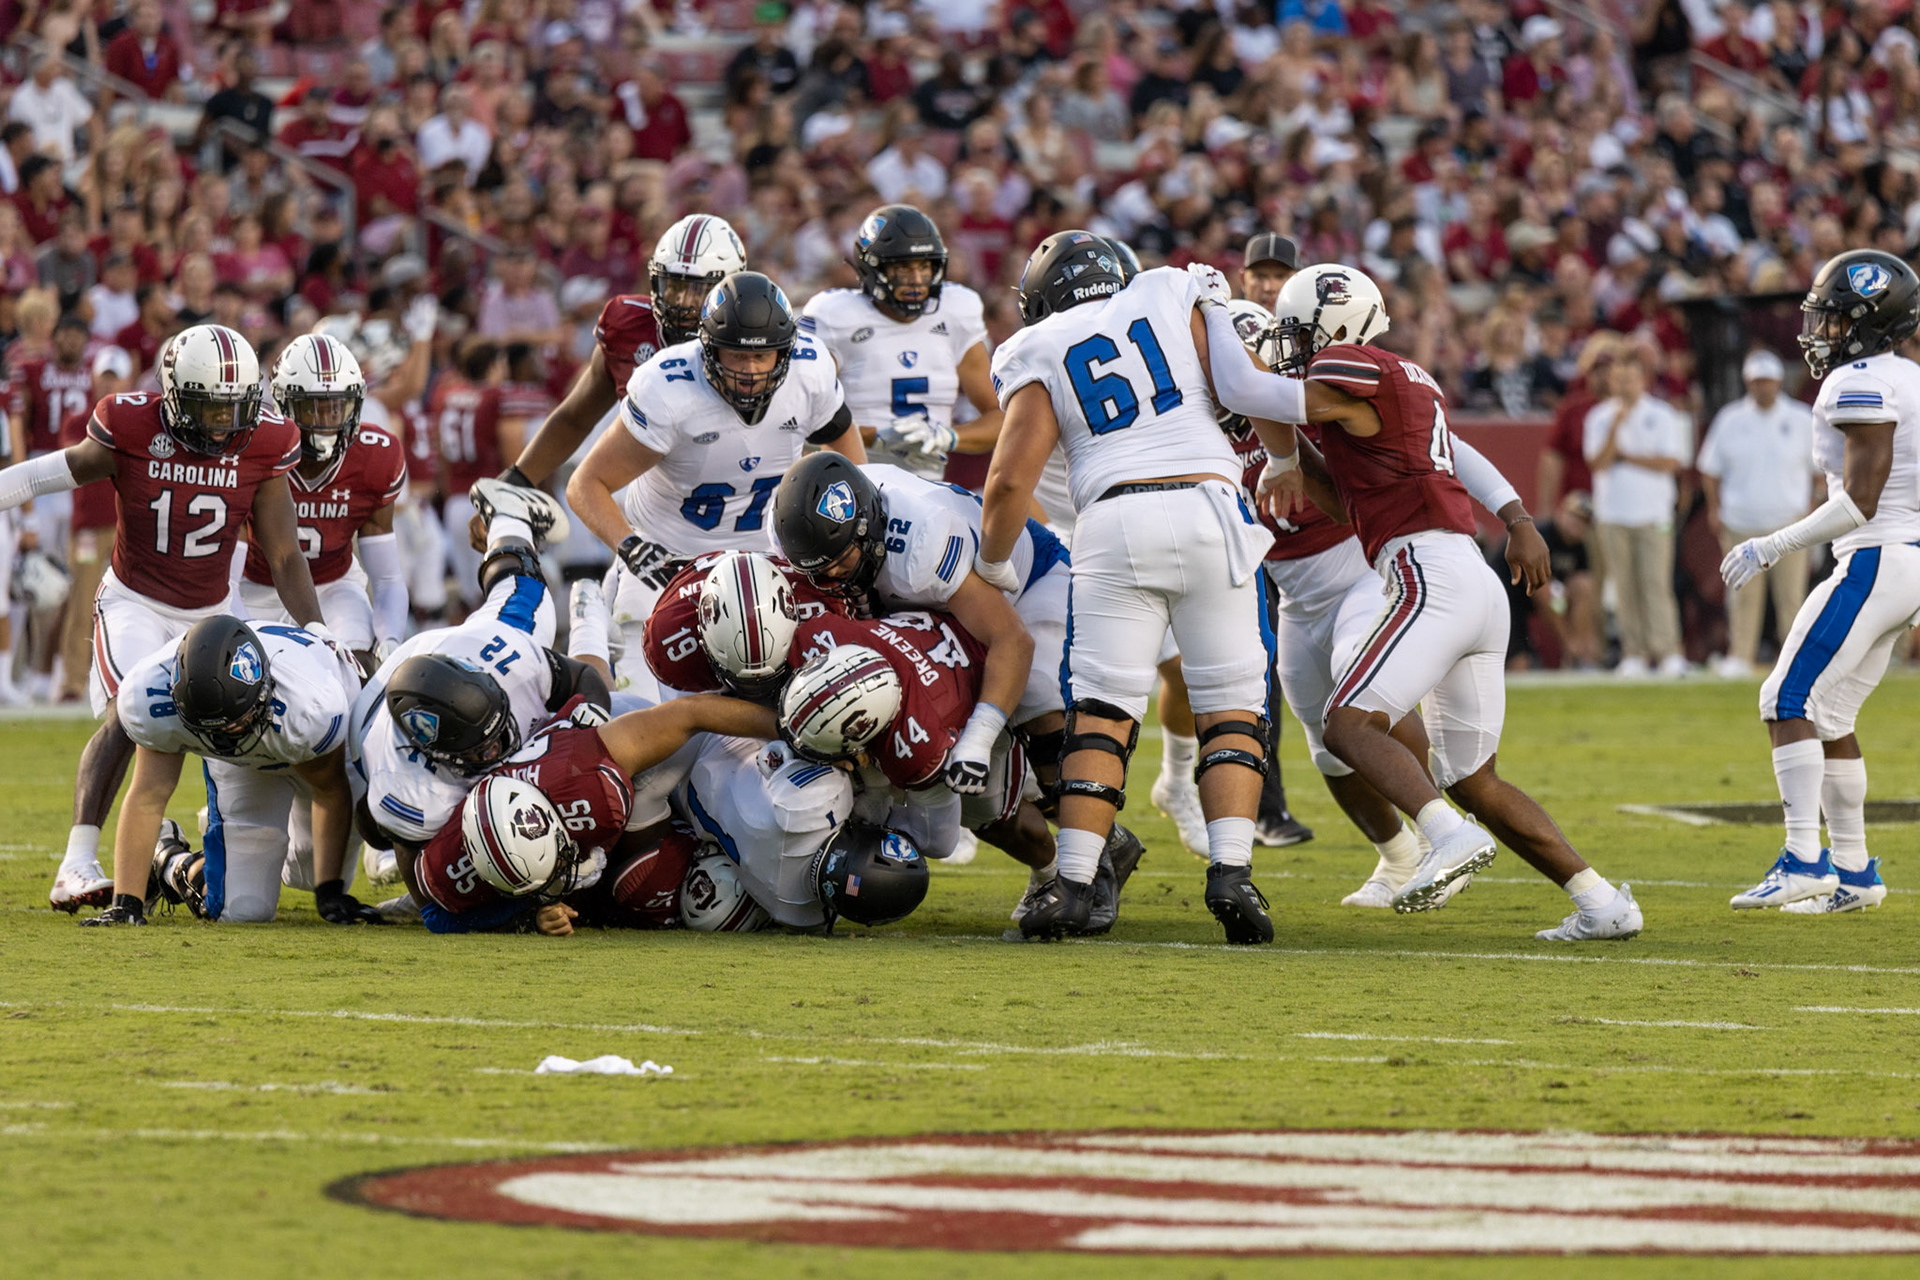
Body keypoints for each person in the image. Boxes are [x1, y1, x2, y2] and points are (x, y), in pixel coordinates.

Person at [1203, 263, 1642, 941]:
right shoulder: (1397, 382)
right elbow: (1338, 498)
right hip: (1461, 577)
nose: (1288, 346)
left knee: (1347, 725)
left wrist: (1207, 321)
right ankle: (1602, 900)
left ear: (1338, 326)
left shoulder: (1359, 365)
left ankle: (1444, 837)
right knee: (1474, 780)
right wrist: (1290, 462)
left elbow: (1246, 388)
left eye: (1295, 332)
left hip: (1425, 573)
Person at [972, 233, 1298, 944]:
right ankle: (1233, 874)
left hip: (1114, 518)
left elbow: (1006, 481)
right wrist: (1282, 458)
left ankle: (1073, 882)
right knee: (1233, 708)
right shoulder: (1173, 288)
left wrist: (995, 565)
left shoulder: (1037, 344)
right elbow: (1243, 386)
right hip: (1212, 507)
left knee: (1102, 713)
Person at [0, 324, 329, 915]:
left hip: (212, 614)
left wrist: (317, 631)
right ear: (175, 395)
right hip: (136, 603)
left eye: (235, 407)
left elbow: (283, 553)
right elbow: (46, 473)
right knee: (132, 713)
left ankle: (197, 852)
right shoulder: (129, 425)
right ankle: (78, 861)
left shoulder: (265, 440)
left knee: (242, 722)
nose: (224, 423)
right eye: (209, 407)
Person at [1723, 250, 1920, 916]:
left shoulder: (1858, 382)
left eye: (1834, 319)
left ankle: (1805, 857)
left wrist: (1772, 544)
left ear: (1869, 321)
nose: (1821, 332)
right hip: (1904, 558)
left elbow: (1861, 500)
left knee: (1785, 697)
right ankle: (1857, 873)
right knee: (1831, 715)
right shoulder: (1910, 377)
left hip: (1875, 552)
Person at [567, 272, 865, 691]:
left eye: (761, 357)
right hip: (666, 566)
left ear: (785, 353)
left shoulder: (809, 371)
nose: (749, 371)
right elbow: (586, 483)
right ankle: (591, 623)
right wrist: (632, 547)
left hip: (766, 562)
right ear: (707, 349)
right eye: (735, 355)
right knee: (642, 714)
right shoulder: (668, 388)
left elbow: (850, 465)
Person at [350, 482, 604, 860]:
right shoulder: (396, 771)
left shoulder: (516, 659)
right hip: (401, 694)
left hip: (462, 651)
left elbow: (584, 678)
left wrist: (588, 726)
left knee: (526, 593)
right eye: (483, 746)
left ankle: (508, 517)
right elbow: (373, 828)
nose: (497, 747)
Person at [406, 690, 779, 935]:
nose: (558, 877)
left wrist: (788, 729)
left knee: (646, 877)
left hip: (607, 732)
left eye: (555, 864)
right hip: (572, 772)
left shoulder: (588, 786)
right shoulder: (449, 865)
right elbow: (437, 915)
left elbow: (690, 714)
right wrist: (523, 918)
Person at [99, 616, 377, 927]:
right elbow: (148, 795)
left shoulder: (311, 707)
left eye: (235, 724)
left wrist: (329, 893)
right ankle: (170, 861)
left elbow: (329, 790)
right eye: (214, 729)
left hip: (313, 748)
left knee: (307, 873)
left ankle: (229, 845)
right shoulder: (149, 692)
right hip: (244, 765)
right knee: (244, 910)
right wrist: (125, 904)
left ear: (263, 692)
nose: (226, 735)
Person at [234, 335, 408, 670]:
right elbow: (227, 574)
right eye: (311, 407)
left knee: (356, 668)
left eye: (336, 407)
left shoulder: (375, 456)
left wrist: (390, 642)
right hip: (253, 585)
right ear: (284, 404)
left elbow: (387, 577)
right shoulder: (256, 447)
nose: (325, 421)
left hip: (333, 586)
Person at [801, 204, 1003, 479]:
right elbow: (797, 424)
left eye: (924, 266)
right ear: (872, 267)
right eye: (903, 269)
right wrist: (877, 438)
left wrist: (948, 437)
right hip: (856, 485)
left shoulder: (956, 310)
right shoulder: (835, 316)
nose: (917, 280)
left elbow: (999, 418)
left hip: (929, 488)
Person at [1697, 349, 1819, 678]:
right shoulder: (1730, 419)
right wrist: (1714, 508)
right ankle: (1741, 656)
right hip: (1740, 521)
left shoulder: (1801, 418)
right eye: (1755, 382)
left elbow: (1819, 470)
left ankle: (1795, 660)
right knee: (1742, 594)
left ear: (1779, 382)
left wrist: (1812, 507)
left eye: (1766, 381)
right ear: (1747, 383)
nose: (1762, 387)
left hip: (1790, 523)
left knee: (1791, 596)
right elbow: (1710, 469)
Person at [1584, 348, 1693, 677]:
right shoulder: (1600, 418)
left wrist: (1627, 457)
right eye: (1619, 380)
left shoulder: (1661, 415)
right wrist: (1615, 429)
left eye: (1630, 379)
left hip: (1654, 514)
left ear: (1642, 381)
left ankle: (1668, 650)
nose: (1625, 386)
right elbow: (1597, 462)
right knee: (1624, 587)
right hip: (1613, 514)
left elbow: (1670, 462)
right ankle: (1634, 652)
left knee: (1655, 584)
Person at [429, 340, 526, 616]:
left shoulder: (445, 394)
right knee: (498, 596)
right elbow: (514, 456)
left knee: (470, 597)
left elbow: (442, 455)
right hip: (490, 502)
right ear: (494, 365)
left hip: (457, 502)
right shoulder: (497, 396)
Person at [56, 346, 130, 704]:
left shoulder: (135, 422)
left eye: (114, 376)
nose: (108, 382)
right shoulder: (78, 420)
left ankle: (116, 680)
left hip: (126, 526)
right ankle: (72, 680)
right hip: (88, 527)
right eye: (105, 375)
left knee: (129, 602)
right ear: (94, 377)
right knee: (82, 600)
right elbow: (82, 463)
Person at [1239, 233, 1300, 312]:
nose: (1269, 288)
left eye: (1280, 276)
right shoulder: (1225, 322)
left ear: (1298, 281)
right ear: (1242, 280)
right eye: (1260, 276)